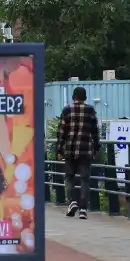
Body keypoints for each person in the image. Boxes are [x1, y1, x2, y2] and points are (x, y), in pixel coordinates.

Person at [56, 85, 100, 219]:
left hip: (70, 150)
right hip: (86, 151)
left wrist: (59, 149)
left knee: (69, 177)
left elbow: (61, 132)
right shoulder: (90, 110)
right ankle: (83, 210)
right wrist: (96, 148)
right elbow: (95, 132)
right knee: (85, 180)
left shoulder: (67, 110)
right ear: (85, 97)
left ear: (73, 96)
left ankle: (72, 202)